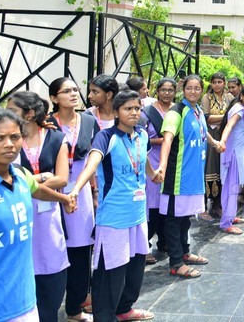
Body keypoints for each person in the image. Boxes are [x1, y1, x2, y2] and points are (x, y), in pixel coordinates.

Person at [67, 90, 157, 322]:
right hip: (114, 218)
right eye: (128, 109)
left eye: (137, 108)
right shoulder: (106, 137)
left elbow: (143, 158)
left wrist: (153, 174)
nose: (134, 113)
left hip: (137, 214)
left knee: (135, 267)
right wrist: (76, 190)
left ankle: (124, 309)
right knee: (111, 272)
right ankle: (104, 317)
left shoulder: (141, 135)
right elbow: (92, 162)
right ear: (116, 112)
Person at [0, 109, 76, 322]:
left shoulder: (19, 175)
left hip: (25, 301)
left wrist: (63, 199)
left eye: (15, 137)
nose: (9, 144)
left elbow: (37, 189)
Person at [7, 91, 71, 322]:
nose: (7, 115)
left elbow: (62, 178)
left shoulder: (55, 138)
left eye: (13, 111)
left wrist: (28, 180)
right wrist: (45, 176)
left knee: (50, 270)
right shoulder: (9, 140)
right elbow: (7, 180)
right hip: (18, 213)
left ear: (30, 113)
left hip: (49, 214)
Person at [159, 75, 224, 279]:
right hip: (177, 178)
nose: (193, 92)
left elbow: (205, 132)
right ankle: (176, 262)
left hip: (194, 177)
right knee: (173, 220)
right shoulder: (176, 112)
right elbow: (167, 139)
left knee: (186, 218)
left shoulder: (197, 112)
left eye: (197, 88)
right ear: (183, 89)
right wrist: (161, 166)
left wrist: (216, 144)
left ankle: (185, 252)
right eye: (189, 88)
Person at [48, 78, 102, 321]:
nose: (73, 94)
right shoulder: (47, 123)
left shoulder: (89, 121)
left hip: (79, 194)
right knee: (53, 249)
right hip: (49, 193)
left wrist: (94, 191)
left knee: (81, 252)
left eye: (75, 90)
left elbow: (94, 158)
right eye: (66, 91)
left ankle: (74, 309)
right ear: (53, 98)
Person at [141, 78, 176, 264]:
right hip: (152, 161)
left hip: (172, 161)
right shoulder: (147, 113)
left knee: (168, 203)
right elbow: (142, 138)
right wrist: (163, 141)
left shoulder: (177, 110)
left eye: (171, 90)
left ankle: (165, 242)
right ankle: (144, 245)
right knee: (152, 205)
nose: (167, 93)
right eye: (163, 90)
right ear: (157, 91)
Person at [218, 84, 244, 234]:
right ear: (241, 95)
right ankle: (225, 223)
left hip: (239, 152)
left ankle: (231, 215)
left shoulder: (242, 108)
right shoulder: (239, 110)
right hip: (233, 153)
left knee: (234, 187)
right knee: (231, 187)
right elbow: (229, 126)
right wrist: (222, 141)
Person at [200, 72, 233, 221]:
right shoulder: (207, 97)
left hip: (225, 136)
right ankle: (205, 205)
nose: (217, 85)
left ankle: (219, 203)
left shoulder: (229, 97)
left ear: (224, 83)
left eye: (220, 82)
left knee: (223, 168)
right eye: (214, 82)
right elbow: (206, 117)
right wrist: (226, 116)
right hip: (212, 136)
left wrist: (224, 117)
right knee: (210, 168)